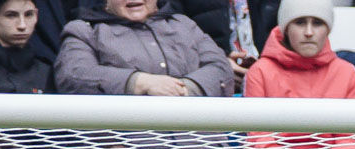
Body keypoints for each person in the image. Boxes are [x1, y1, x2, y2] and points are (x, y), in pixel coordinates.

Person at [243, 0, 355, 149]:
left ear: (328, 29)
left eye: (317, 23)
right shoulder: (260, 72)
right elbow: (259, 140)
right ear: (285, 27)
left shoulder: (346, 73)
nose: (309, 32)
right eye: (300, 22)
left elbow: (354, 138)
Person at [55, 0, 234, 97]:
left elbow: (221, 68)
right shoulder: (84, 31)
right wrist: (140, 83)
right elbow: (74, 76)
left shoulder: (184, 25)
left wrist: (185, 88)